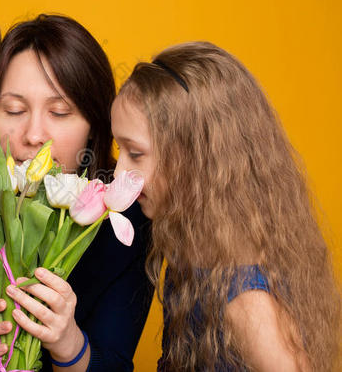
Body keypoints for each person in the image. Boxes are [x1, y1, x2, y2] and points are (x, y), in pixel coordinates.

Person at [0, 14, 154, 372]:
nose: (34, 135)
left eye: (59, 111)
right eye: (14, 110)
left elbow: (114, 363)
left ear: (95, 127)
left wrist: (68, 343)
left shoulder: (127, 216)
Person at [112, 41, 341, 371]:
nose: (120, 174)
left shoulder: (247, 301)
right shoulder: (190, 250)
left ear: (197, 159)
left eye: (135, 153)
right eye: (119, 150)